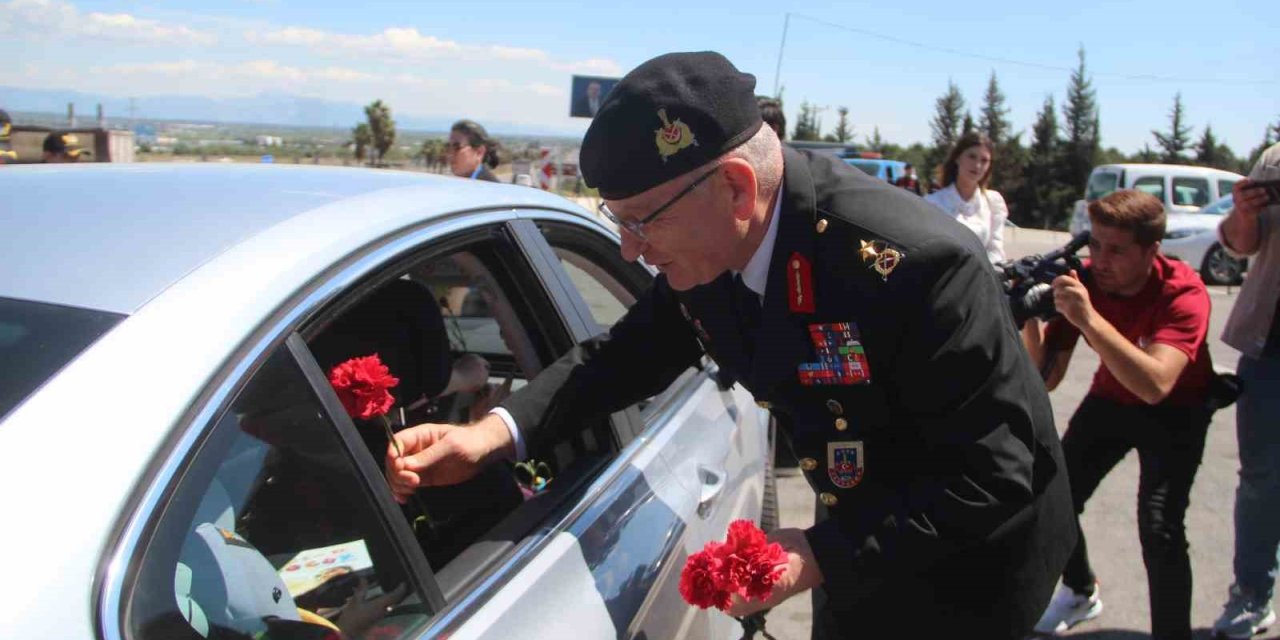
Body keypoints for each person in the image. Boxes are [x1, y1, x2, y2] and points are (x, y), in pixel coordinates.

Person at [384, 51, 1073, 638]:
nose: (629, 250)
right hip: (853, 539)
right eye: (615, 221)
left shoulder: (912, 267)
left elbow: (992, 473)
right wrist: (493, 435)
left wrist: (819, 552)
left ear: (737, 190)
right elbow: (625, 356)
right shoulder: (709, 247)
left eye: (640, 222)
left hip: (969, 574)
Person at [1022, 189, 1215, 639]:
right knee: (1054, 499)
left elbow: (1155, 385)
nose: (1100, 260)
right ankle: (1080, 589)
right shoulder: (1090, 280)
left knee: (1160, 526)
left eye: (1116, 250)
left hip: (1177, 410)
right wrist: (1027, 313)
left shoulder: (1183, 292)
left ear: (1152, 251)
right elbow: (1046, 376)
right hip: (1110, 399)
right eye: (1095, 245)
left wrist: (1088, 318)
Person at [1212, 142, 1280, 640]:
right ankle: (1251, 594)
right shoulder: (1275, 158)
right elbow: (1241, 245)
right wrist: (1243, 211)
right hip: (1271, 346)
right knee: (1261, 481)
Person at [924, 132, 1007, 264]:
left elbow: (996, 252)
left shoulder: (993, 203)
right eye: (972, 157)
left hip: (980, 279)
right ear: (957, 158)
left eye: (984, 160)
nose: (977, 165)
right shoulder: (932, 203)